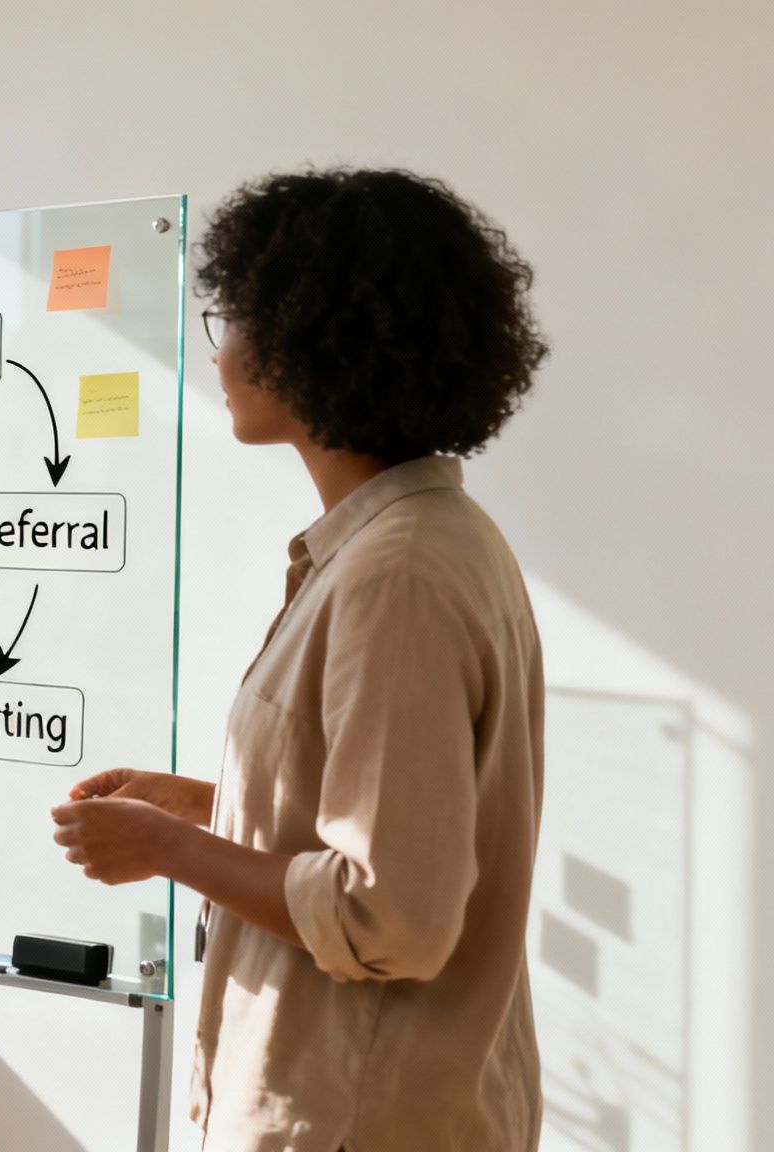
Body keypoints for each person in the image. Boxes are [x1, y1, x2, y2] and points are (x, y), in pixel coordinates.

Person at [51, 168, 549, 1151]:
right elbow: (390, 820)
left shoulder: (395, 571)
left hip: (353, 1118)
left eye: (233, 317)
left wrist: (164, 851)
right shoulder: (416, 542)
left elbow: (389, 916)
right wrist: (205, 807)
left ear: (308, 336)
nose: (221, 349)